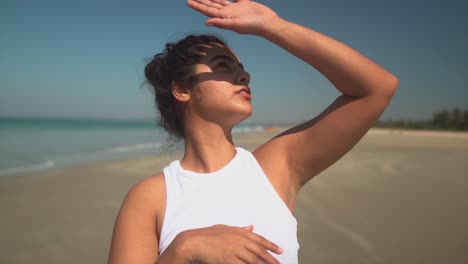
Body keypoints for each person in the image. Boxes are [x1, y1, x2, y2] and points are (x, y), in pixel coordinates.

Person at [108, 0, 398, 263]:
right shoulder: (150, 197)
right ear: (183, 89)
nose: (244, 75)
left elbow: (375, 88)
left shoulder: (276, 167)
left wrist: (273, 26)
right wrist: (183, 248)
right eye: (223, 66)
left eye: (242, 69)